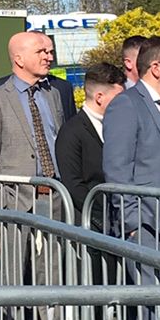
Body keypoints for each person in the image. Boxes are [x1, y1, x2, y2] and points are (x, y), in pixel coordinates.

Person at [101, 37, 160, 258]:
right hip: (145, 226)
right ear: (156, 68)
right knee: (151, 291)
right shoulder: (126, 105)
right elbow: (117, 169)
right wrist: (133, 224)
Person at [0, 31, 74, 201]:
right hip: (19, 203)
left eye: (48, 52)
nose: (48, 58)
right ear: (19, 59)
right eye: (39, 52)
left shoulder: (53, 94)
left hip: (58, 198)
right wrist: (1, 202)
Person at [56, 62, 123, 220]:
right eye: (118, 98)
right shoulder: (71, 132)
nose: (123, 103)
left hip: (117, 219)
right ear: (99, 97)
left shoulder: (119, 126)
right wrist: (101, 215)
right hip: (91, 223)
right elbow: (73, 183)